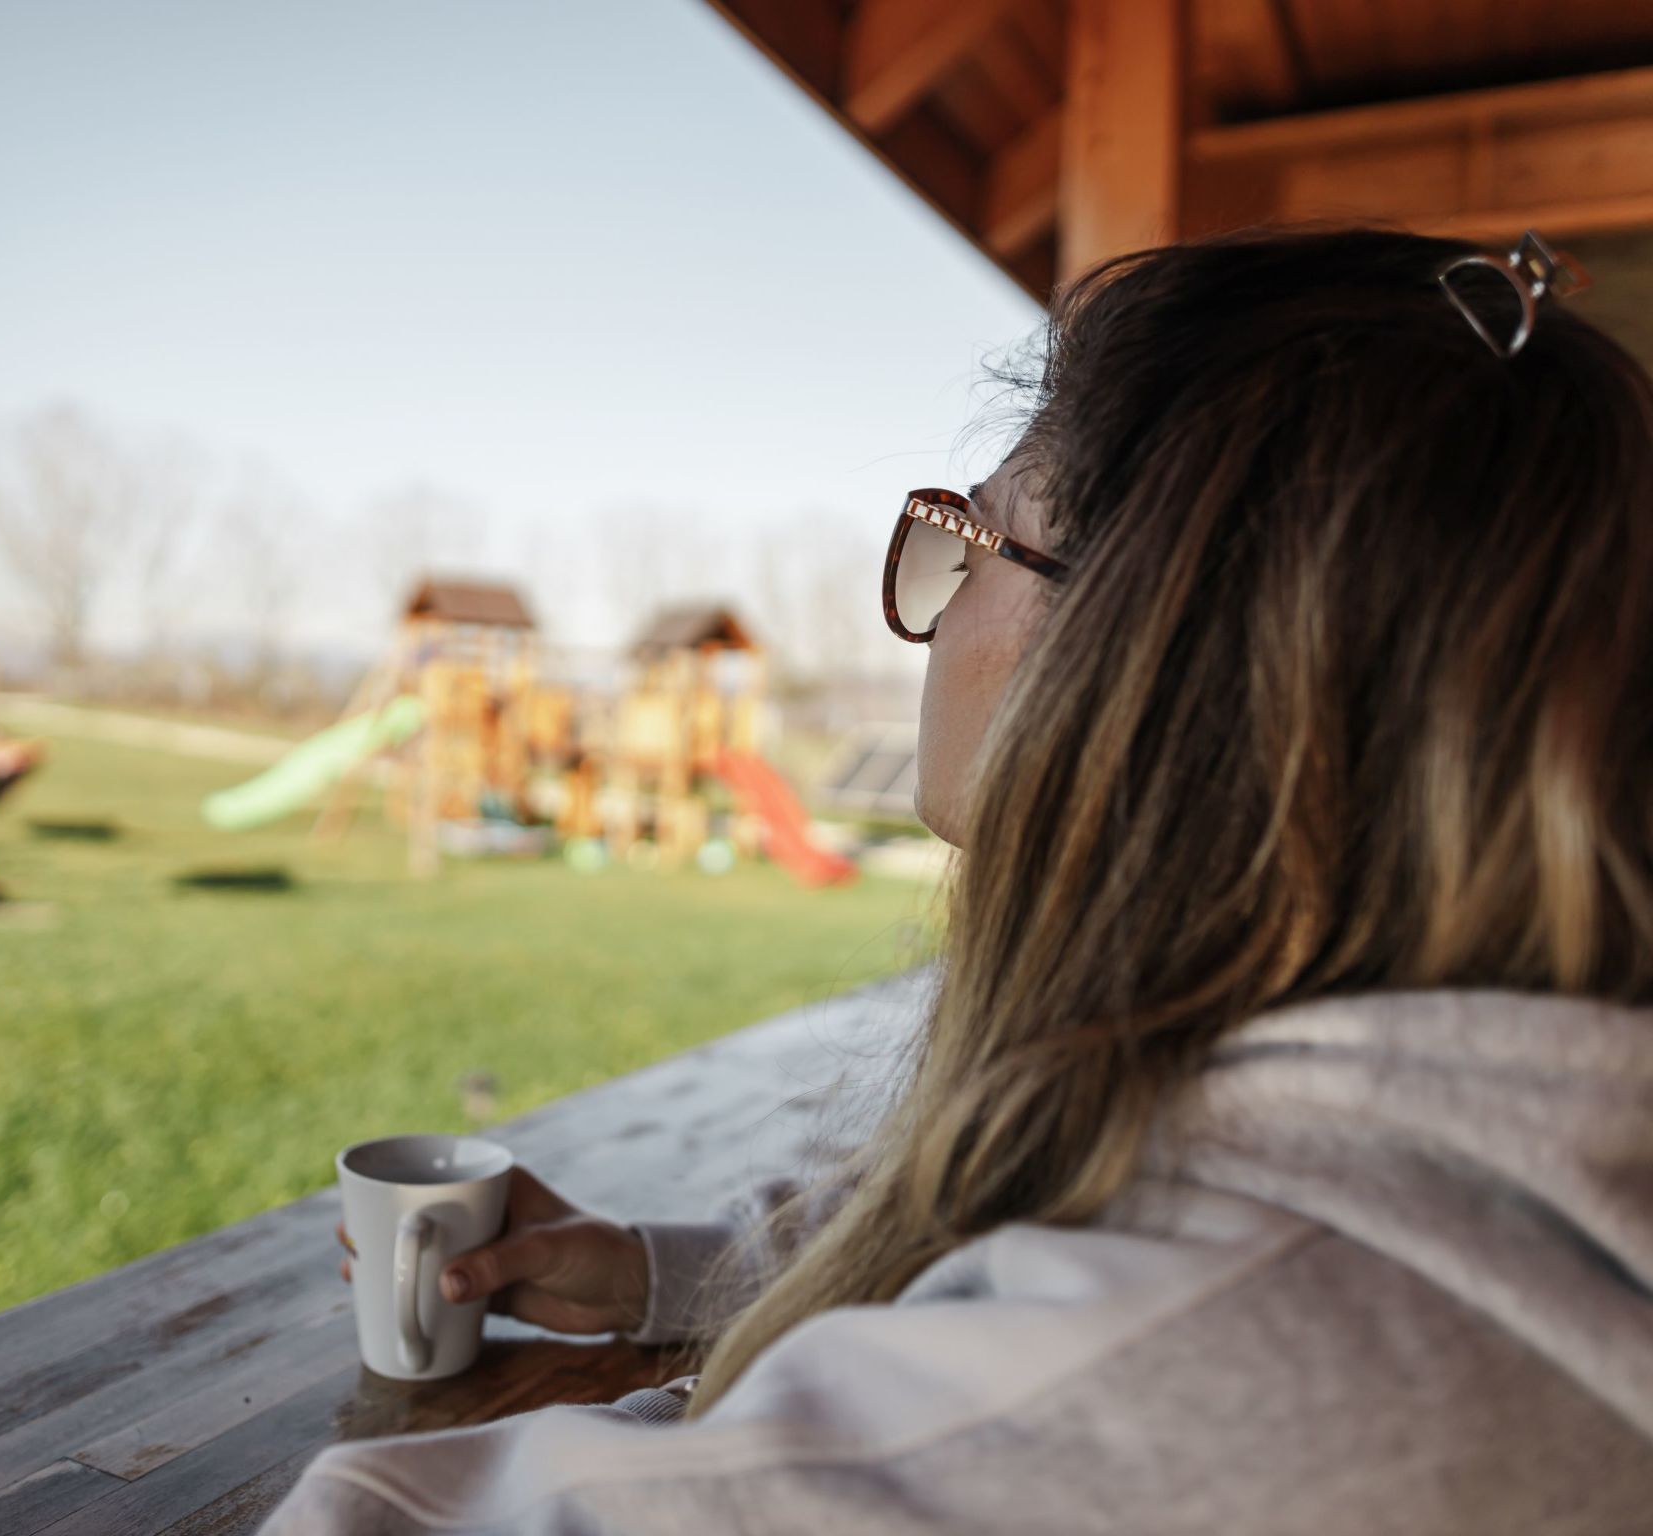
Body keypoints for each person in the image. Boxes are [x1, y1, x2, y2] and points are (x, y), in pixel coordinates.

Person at [263, 225, 1653, 1534]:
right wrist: (655, 1270)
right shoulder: (1505, 1146)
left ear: (1149, 655)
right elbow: (1045, 1212)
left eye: (970, 538)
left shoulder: (1202, 1363)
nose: (933, 611)